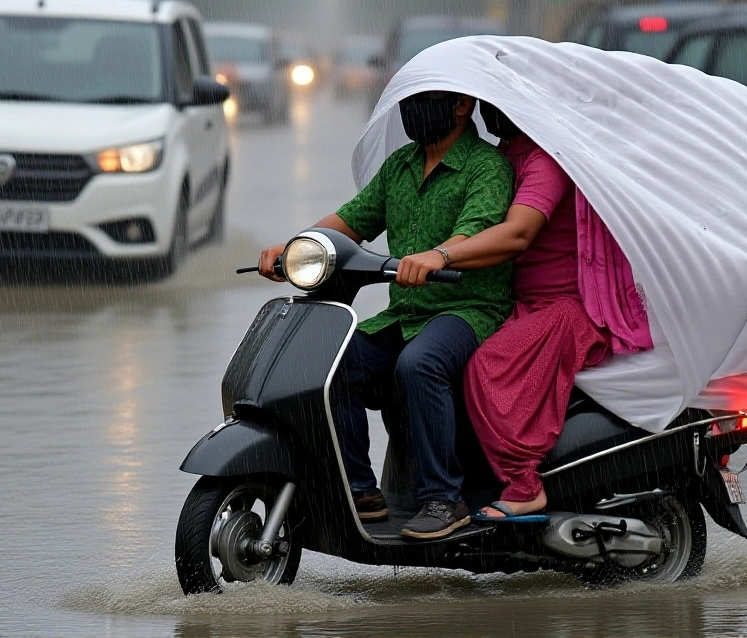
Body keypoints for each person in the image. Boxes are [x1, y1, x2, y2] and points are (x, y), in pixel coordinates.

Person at [258, 91, 513, 539]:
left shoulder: (486, 167)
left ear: (462, 107)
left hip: (468, 310)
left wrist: (439, 255)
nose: (413, 110)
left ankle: (443, 499)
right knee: (332, 361)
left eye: (426, 100)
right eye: (408, 100)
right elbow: (351, 220)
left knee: (420, 365)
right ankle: (361, 490)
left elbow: (477, 229)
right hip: (406, 314)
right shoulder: (401, 165)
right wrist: (294, 246)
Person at [396, 101, 652, 521]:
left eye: (499, 100)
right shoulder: (500, 155)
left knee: (487, 367)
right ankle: (467, 488)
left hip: (570, 306)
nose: (489, 109)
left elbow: (518, 233)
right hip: (522, 303)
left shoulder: (545, 158)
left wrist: (441, 256)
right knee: (446, 363)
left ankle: (525, 485)